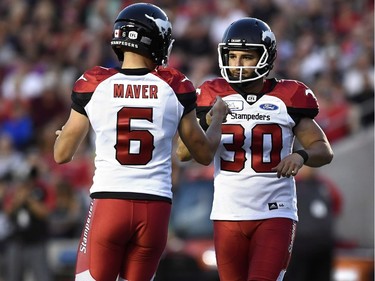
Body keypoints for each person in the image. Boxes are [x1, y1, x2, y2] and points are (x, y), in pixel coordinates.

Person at [53, 3, 228, 281]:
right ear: (153, 40)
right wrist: (217, 119)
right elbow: (204, 154)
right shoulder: (174, 85)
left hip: (110, 204)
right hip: (155, 208)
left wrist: (64, 135)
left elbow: (61, 155)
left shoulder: (94, 83)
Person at [177, 17, 334, 281]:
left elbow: (324, 150)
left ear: (266, 58)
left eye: (246, 57)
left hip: (274, 213)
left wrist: (300, 155)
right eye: (233, 55)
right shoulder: (210, 94)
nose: (237, 64)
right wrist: (208, 118)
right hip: (227, 214)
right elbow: (183, 152)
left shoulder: (288, 97)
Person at [283, 165, 342, 281]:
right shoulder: (293, 185)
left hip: (323, 244)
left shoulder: (326, 185)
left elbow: (336, 205)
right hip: (299, 245)